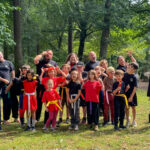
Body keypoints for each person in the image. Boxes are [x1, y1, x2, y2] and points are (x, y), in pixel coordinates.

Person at [34, 50, 57, 121]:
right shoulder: (41, 61)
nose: (48, 55)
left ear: (52, 55)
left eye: (50, 54)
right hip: (41, 85)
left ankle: (48, 118)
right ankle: (36, 118)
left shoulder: (54, 63)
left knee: (49, 102)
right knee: (39, 102)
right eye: (47, 54)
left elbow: (57, 71)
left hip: (50, 85)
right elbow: (35, 60)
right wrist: (42, 54)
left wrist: (52, 67)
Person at [0, 52, 15, 129]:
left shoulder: (9, 63)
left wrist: (13, 81)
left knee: (7, 103)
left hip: (7, 86)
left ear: (2, 55)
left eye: (0, 54)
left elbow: (13, 72)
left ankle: (6, 119)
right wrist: (3, 80)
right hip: (1, 85)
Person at [124, 62, 139, 128]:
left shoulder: (134, 77)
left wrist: (131, 97)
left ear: (134, 69)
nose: (130, 67)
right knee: (127, 108)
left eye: (132, 67)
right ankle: (127, 121)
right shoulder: (124, 75)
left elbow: (135, 87)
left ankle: (134, 120)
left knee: (133, 107)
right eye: (130, 66)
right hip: (125, 94)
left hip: (132, 95)